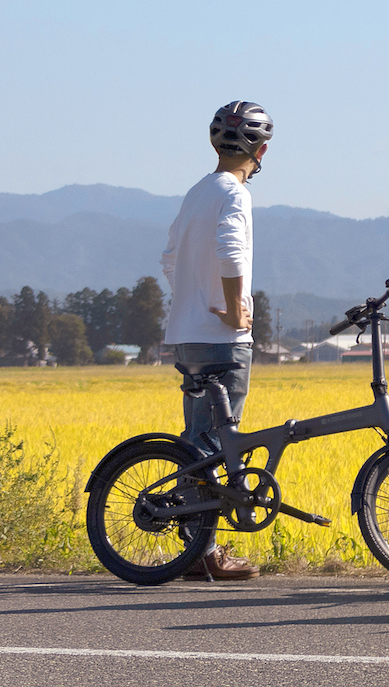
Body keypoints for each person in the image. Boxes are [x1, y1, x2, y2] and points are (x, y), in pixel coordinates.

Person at [160, 100, 272, 582]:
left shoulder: (197, 192)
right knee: (213, 443)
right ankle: (203, 552)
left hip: (186, 335)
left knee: (196, 439)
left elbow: (168, 257)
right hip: (221, 340)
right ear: (262, 150)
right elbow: (230, 248)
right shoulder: (234, 194)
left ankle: (194, 548)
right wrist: (230, 309)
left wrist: (191, 298)